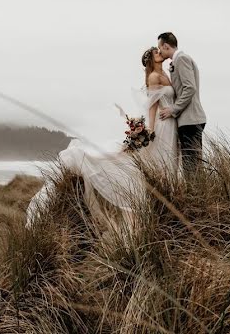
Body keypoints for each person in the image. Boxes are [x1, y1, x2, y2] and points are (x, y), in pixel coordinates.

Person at [25, 47, 180, 231]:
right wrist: (151, 130)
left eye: (160, 51)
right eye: (156, 53)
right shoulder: (154, 76)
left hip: (170, 123)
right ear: (151, 60)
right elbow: (153, 106)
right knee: (153, 160)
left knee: (164, 161)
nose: (160, 54)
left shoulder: (164, 72)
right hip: (162, 124)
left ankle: (166, 199)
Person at [156, 32, 207, 176]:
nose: (159, 52)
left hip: (191, 119)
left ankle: (196, 196)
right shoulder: (177, 61)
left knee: (191, 167)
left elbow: (190, 88)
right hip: (187, 120)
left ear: (166, 46)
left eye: (160, 48)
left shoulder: (182, 59)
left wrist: (173, 109)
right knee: (191, 165)